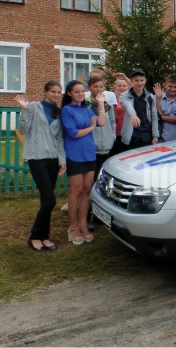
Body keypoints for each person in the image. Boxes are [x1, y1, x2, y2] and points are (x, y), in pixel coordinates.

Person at [15, 82, 67, 252]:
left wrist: (62, 160)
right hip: (36, 158)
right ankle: (34, 237)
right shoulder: (33, 107)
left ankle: (44, 237)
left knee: (46, 201)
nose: (56, 94)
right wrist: (24, 108)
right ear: (45, 92)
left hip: (52, 159)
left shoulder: (58, 112)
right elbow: (22, 129)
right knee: (50, 200)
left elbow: (59, 138)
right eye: (53, 91)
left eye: (59, 92)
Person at [61, 80, 105, 245]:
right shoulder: (67, 110)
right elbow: (73, 133)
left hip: (89, 154)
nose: (80, 94)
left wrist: (100, 104)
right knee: (76, 190)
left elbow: (101, 122)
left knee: (87, 189)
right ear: (69, 93)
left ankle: (82, 224)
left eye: (82, 91)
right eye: (76, 92)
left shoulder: (86, 109)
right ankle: (73, 227)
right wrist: (90, 128)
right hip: (74, 154)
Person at [119, 68, 159, 149]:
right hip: (131, 138)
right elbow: (127, 105)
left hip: (146, 137)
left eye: (142, 80)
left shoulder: (150, 97)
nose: (139, 83)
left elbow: (154, 117)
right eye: (136, 80)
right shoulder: (125, 95)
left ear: (145, 80)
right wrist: (133, 115)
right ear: (131, 81)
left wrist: (155, 137)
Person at [154, 75, 176, 142]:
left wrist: (163, 117)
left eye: (175, 87)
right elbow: (155, 114)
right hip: (160, 140)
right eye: (170, 86)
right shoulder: (157, 97)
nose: (172, 89)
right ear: (165, 85)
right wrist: (158, 98)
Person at [108, 77, 130, 157]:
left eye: (124, 86)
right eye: (119, 86)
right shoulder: (111, 100)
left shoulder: (130, 100)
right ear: (115, 87)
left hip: (126, 133)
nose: (122, 88)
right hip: (115, 133)